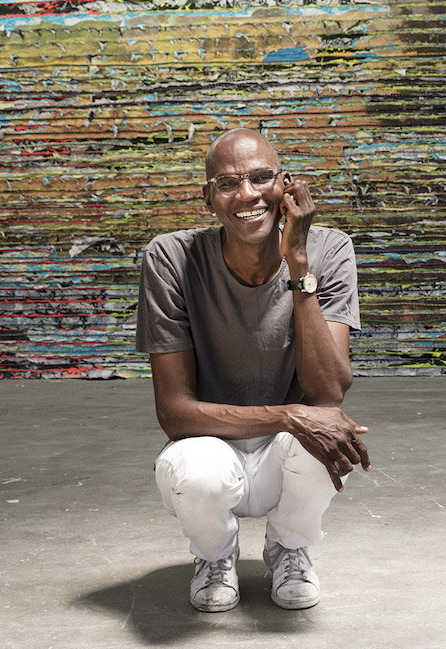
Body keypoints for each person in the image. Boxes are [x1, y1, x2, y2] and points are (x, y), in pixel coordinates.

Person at [134, 128, 369, 612]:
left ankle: (288, 546)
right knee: (199, 471)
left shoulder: (329, 248)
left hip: (288, 460)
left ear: (287, 187)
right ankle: (215, 556)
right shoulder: (171, 258)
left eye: (262, 178)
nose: (247, 195)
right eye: (227, 183)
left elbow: (327, 393)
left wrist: (298, 264)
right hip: (209, 450)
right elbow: (175, 414)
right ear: (208, 198)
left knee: (329, 430)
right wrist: (289, 415)